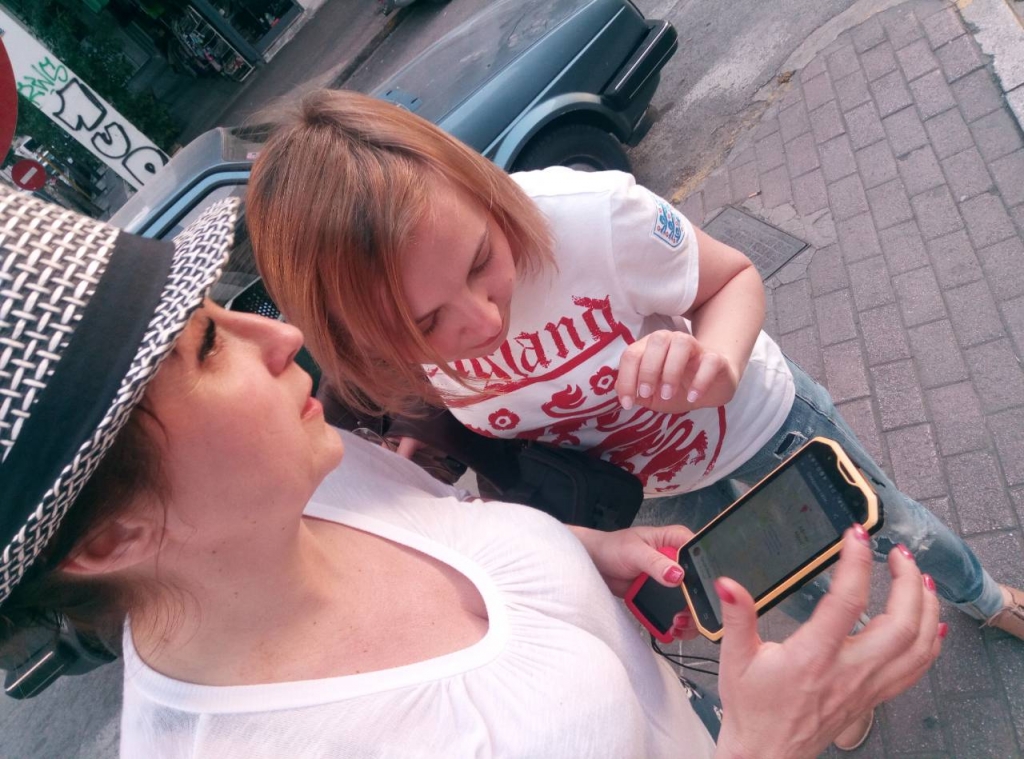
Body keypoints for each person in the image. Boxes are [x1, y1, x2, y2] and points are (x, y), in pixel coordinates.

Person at [0, 188, 942, 758]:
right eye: (208, 347)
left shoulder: (321, 474)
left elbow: (454, 528)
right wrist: (768, 744)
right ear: (111, 536)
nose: (279, 337)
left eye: (220, 309)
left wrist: (593, 552)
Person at [246, 89, 1024, 645]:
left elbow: (733, 277)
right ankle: (842, 652)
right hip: (662, 484)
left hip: (760, 422)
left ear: (480, 190)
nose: (482, 323)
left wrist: (716, 359)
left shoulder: (591, 218)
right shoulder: (392, 371)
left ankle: (985, 596)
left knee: (892, 525)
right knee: (774, 574)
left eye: (482, 259)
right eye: (426, 325)